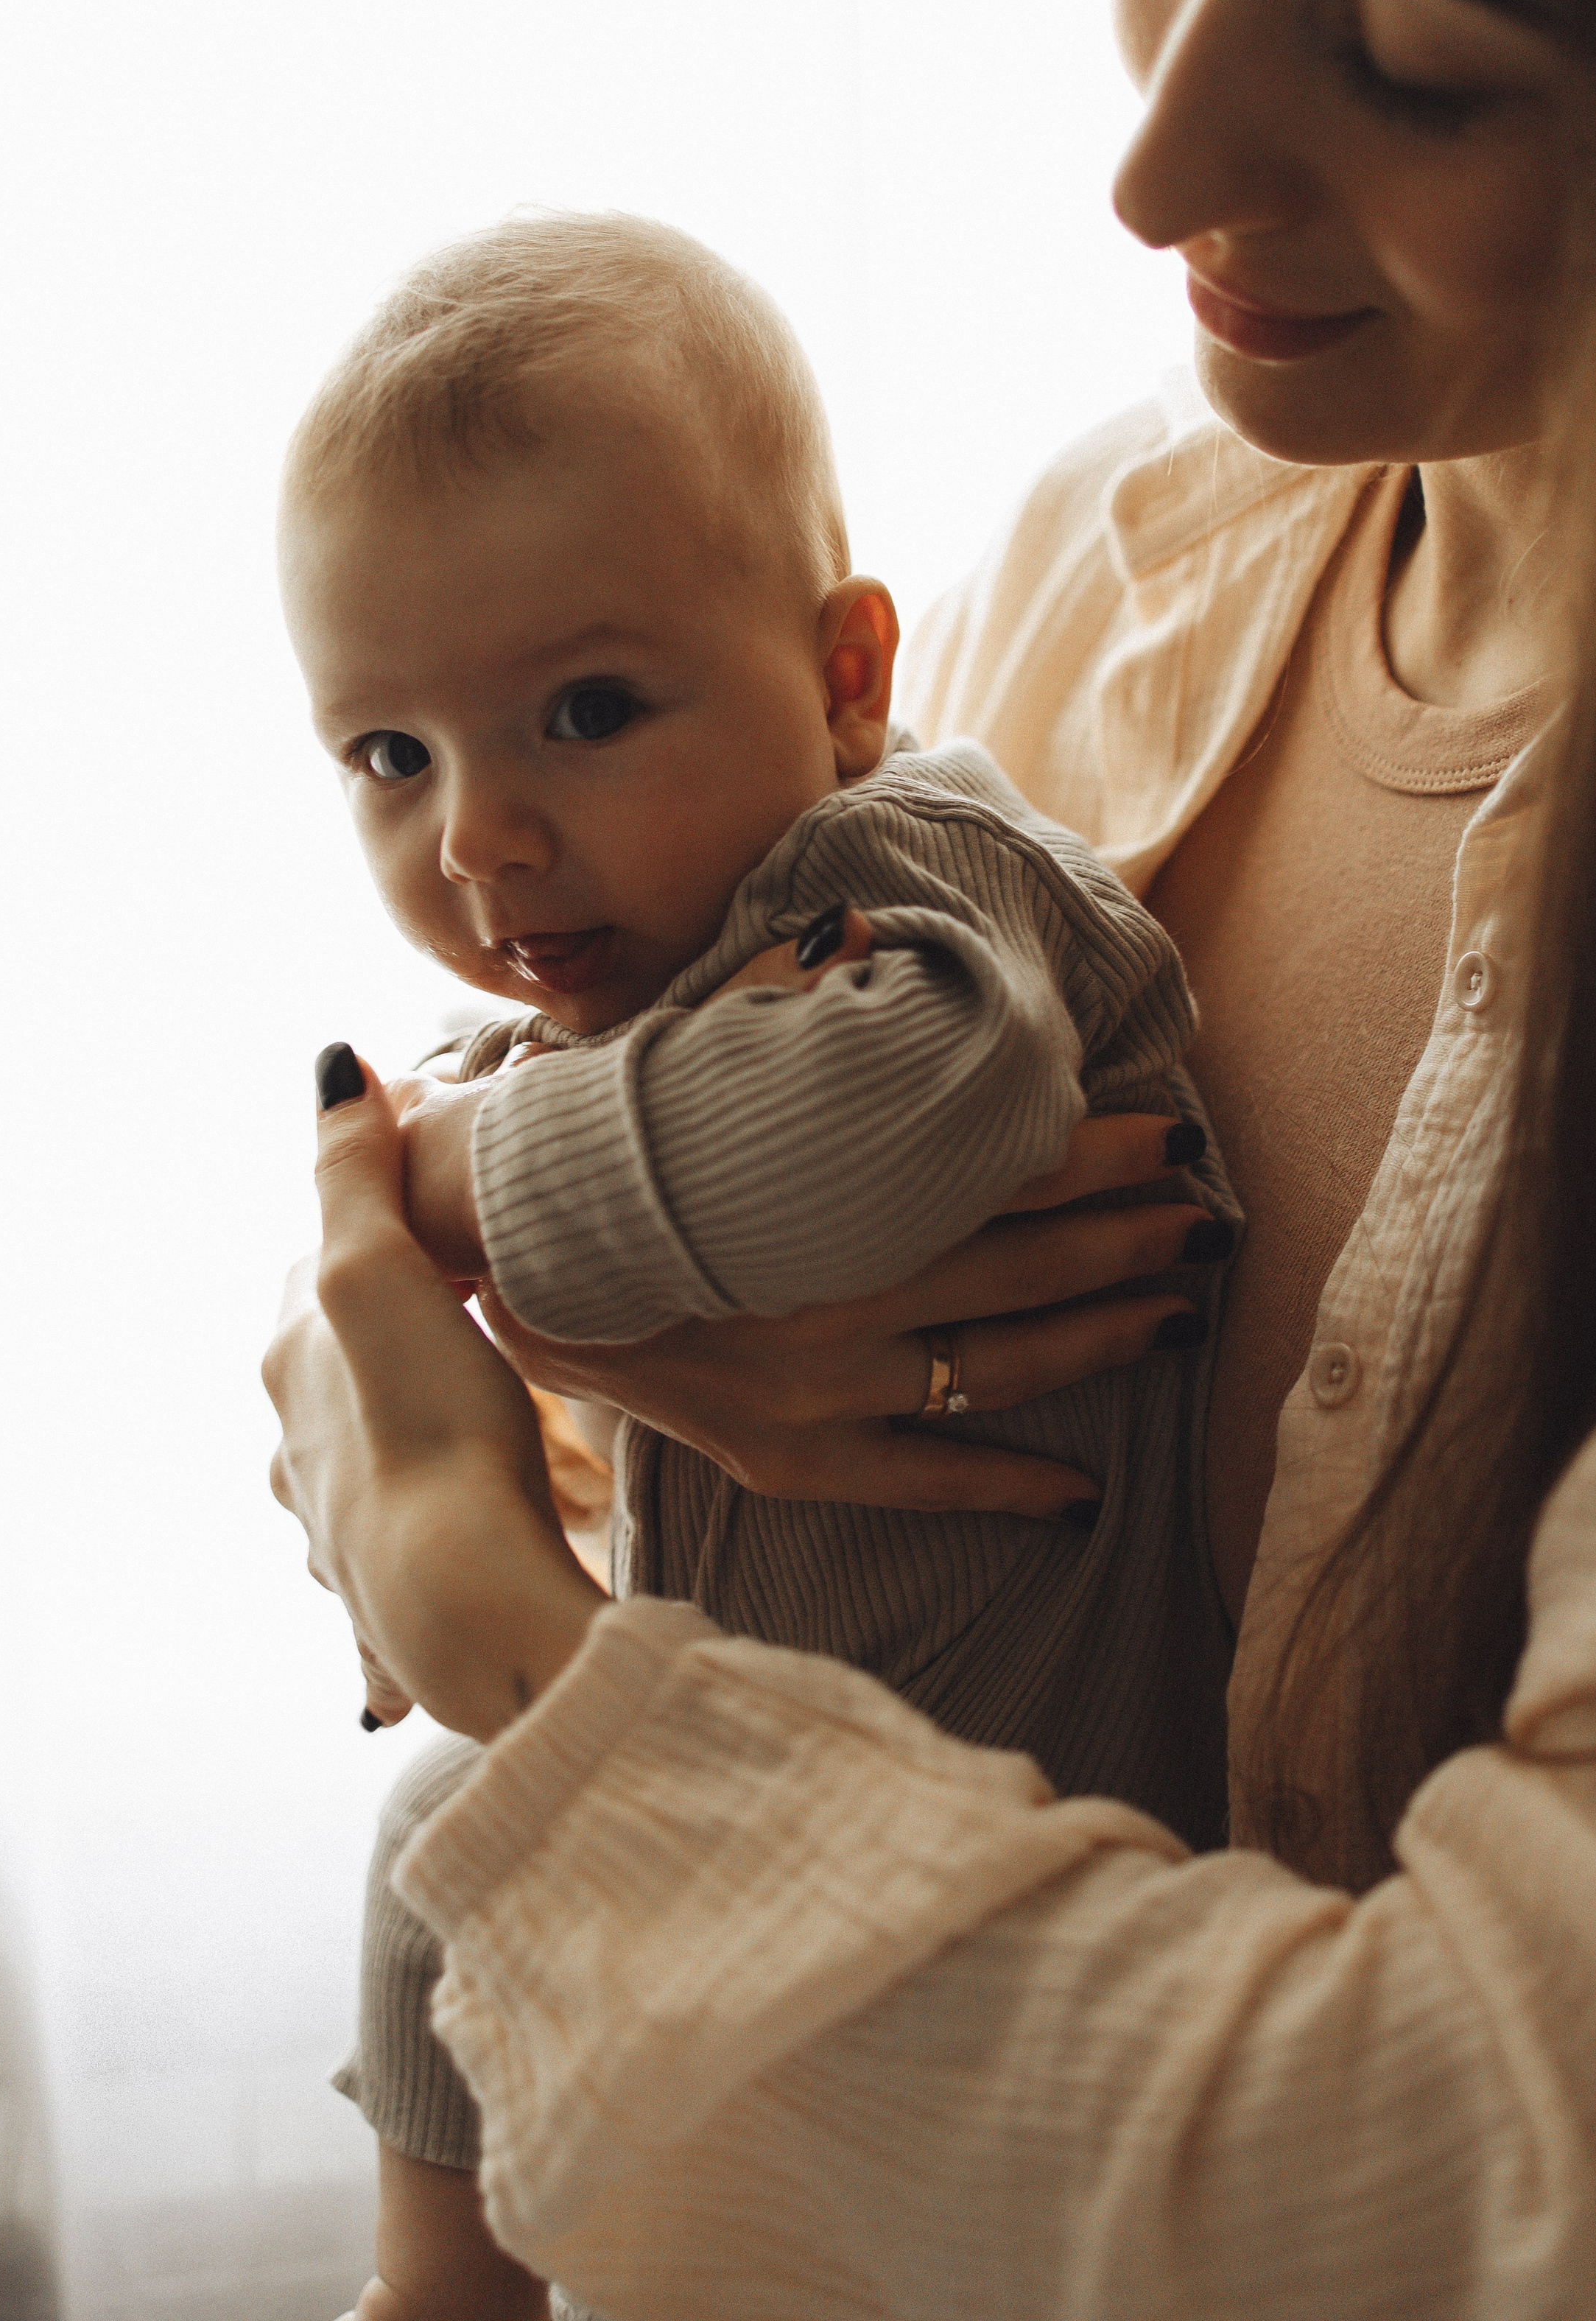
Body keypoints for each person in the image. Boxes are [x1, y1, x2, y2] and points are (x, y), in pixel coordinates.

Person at [267, 0, 1596, 2309]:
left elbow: (1497, 2187)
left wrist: (505, 1612)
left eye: (1410, 52)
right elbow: (674, 1331)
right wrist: (534, 1337)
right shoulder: (1132, 552)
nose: (1151, 163)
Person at [278, 211, 1235, 2318]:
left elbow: (908, 1111)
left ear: (846, 675)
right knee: (453, 1837)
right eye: (390, 755)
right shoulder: (613, 992)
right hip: (744, 1796)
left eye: (584, 710)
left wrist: (432, 1200)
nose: (481, 840)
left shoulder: (905, 877)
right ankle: (436, 2289)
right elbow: (373, 1312)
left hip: (1006, 1858)